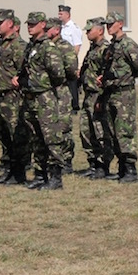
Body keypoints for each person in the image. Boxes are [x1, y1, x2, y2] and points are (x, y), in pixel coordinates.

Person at [14, 12, 67, 190]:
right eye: (28, 24)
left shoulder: (48, 47)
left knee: (51, 138)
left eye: (33, 24)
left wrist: (41, 83)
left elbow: (58, 74)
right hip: (30, 98)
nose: (30, 27)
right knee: (36, 138)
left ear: (43, 24)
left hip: (44, 98)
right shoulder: (31, 46)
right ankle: (40, 174)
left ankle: (55, 177)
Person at [98, 11, 138, 183]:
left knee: (124, 130)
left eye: (111, 24)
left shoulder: (128, 44)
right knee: (113, 131)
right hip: (110, 93)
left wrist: (124, 77)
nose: (108, 27)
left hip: (124, 94)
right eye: (107, 24)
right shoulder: (112, 46)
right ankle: (121, 168)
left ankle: (130, 169)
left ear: (120, 23)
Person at [0, 9, 30, 186]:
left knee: (16, 135)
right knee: (4, 136)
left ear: (10, 24)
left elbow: (24, 70)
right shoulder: (0, 45)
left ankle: (19, 173)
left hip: (12, 97)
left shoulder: (18, 45)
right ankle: (10, 169)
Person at [77, 17, 113, 179]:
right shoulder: (92, 48)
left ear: (99, 30)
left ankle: (103, 165)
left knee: (100, 131)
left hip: (99, 95)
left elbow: (107, 72)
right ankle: (92, 163)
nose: (87, 33)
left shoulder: (106, 48)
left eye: (89, 30)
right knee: (86, 130)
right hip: (88, 94)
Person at [46, 16, 78, 174]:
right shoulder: (45, 46)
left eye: (48, 29)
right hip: (47, 92)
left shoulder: (64, 47)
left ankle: (66, 160)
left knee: (63, 126)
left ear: (57, 30)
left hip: (61, 91)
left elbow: (72, 69)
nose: (46, 31)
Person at [58, 5, 82, 113]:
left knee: (72, 83)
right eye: (59, 13)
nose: (59, 15)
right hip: (61, 60)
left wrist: (71, 60)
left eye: (61, 14)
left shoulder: (74, 28)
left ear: (67, 15)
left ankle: (74, 106)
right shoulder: (61, 27)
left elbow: (77, 46)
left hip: (70, 60)